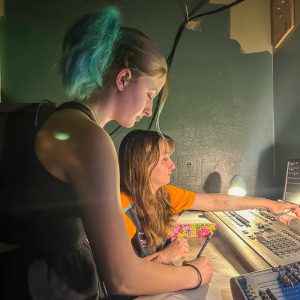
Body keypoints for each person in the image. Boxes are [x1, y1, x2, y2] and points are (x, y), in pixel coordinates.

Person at [0, 6, 211, 300]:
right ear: (123, 79)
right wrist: (197, 273)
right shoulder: (91, 140)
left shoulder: (60, 118)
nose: (149, 109)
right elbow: (122, 279)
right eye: (150, 94)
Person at [118, 129, 300, 264]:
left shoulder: (164, 194)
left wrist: (269, 204)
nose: (172, 165)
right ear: (142, 165)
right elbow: (122, 277)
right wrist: (165, 256)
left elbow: (216, 201)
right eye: (165, 158)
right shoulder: (122, 207)